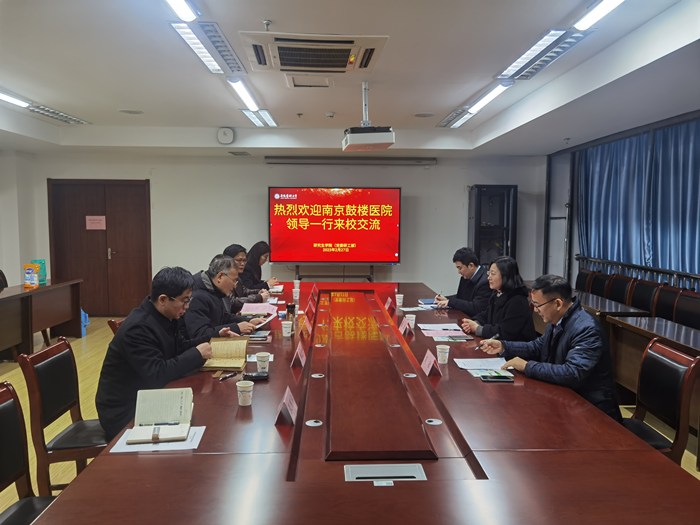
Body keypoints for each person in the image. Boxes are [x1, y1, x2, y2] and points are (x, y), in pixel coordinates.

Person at [478, 274, 622, 422]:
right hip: (567, 400)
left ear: (558, 304)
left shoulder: (586, 329)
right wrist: (504, 346)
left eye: (537, 305)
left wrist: (527, 366)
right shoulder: (559, 320)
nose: (535, 310)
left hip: (594, 412)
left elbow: (572, 373)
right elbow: (537, 347)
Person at [95, 267, 214, 441]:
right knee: (201, 425)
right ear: (163, 299)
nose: (187, 307)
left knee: (204, 413)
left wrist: (211, 339)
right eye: (184, 301)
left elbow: (179, 347)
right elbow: (157, 373)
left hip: (150, 397)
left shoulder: (166, 316)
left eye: (189, 300)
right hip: (125, 411)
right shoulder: (138, 328)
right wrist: (196, 354)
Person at [184, 254, 263, 339]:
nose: (235, 286)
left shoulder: (214, 289)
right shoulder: (196, 296)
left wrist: (249, 321)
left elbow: (224, 317)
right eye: (234, 280)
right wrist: (237, 328)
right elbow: (200, 334)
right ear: (220, 277)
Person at [461, 256, 537, 342]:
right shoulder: (498, 293)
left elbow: (504, 332)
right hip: (496, 344)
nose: (489, 277)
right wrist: (474, 322)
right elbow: (486, 314)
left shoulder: (518, 300)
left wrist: (477, 329)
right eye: (489, 273)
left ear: (506, 276)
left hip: (514, 348)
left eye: (493, 274)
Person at [435, 247, 491, 316]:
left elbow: (476, 308)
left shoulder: (485, 282)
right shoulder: (465, 277)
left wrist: (450, 302)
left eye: (460, 268)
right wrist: (446, 299)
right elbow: (460, 297)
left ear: (471, 266)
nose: (458, 272)